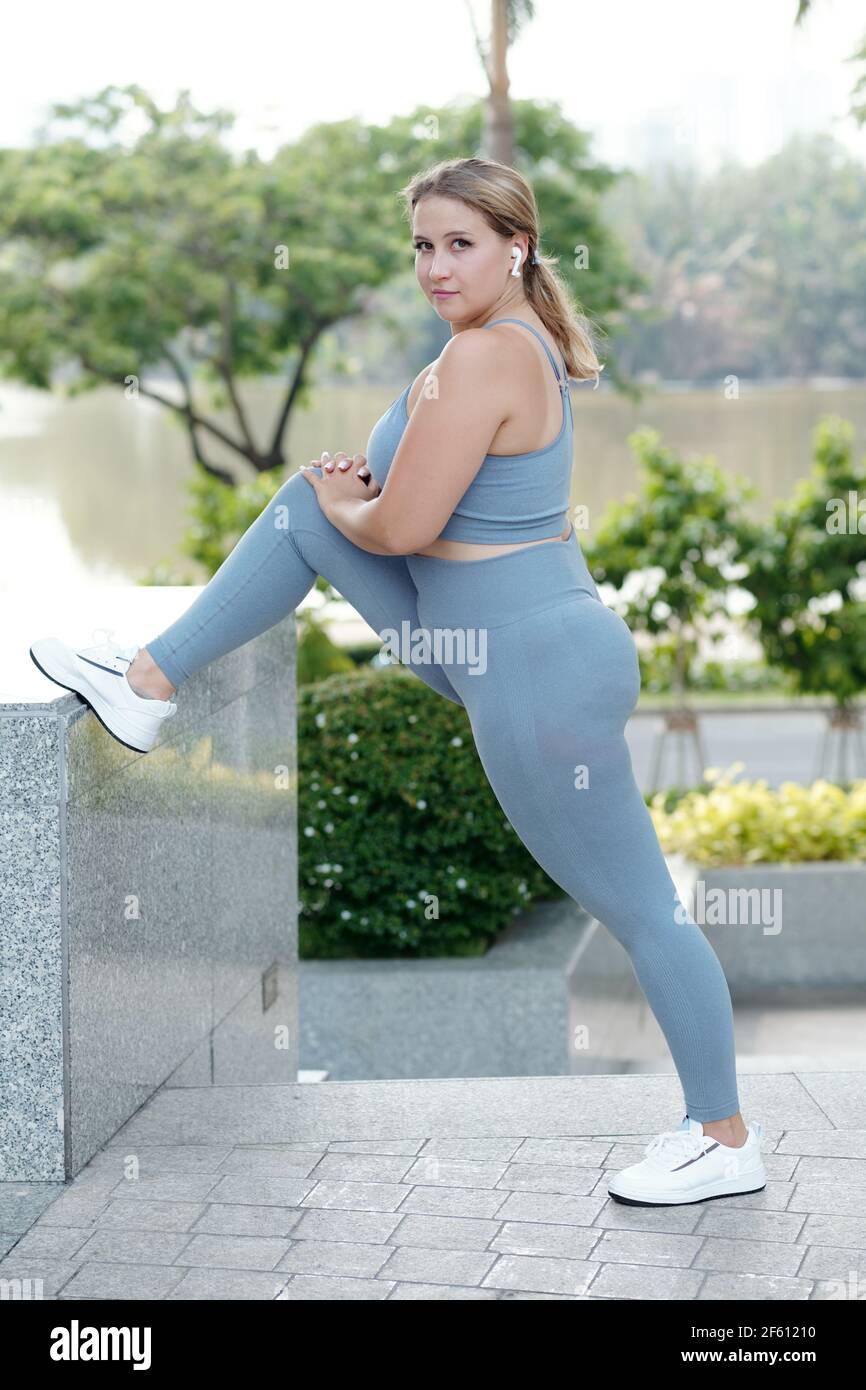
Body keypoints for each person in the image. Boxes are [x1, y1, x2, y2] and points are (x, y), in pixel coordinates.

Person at [29, 156, 765, 1206]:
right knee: (296, 507)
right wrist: (336, 503)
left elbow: (407, 525)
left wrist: (349, 506)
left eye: (458, 243)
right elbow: (406, 510)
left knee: (640, 906)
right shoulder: (483, 347)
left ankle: (722, 1135)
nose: (434, 264)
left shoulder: (488, 359)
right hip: (471, 644)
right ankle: (146, 678)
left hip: (532, 666)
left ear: (516, 246)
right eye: (421, 245)